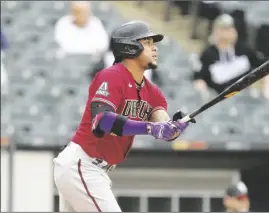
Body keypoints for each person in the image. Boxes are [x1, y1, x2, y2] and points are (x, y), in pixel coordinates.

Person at [53, 20, 195, 212]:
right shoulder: (111, 76)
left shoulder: (153, 92)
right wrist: (150, 128)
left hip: (91, 170)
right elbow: (102, 120)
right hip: (83, 164)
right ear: (130, 47)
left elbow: (161, 124)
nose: (154, 48)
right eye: (147, 43)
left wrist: (173, 128)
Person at [193, 14, 269, 100]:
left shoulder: (244, 50)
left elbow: (266, 66)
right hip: (221, 99)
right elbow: (199, 79)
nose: (228, 32)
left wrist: (267, 95)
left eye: (231, 28)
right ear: (215, 31)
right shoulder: (208, 55)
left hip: (245, 98)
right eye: (224, 29)